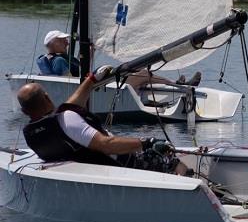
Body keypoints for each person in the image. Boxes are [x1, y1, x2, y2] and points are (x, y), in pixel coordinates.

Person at [17, 67, 186, 174]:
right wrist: (147, 142)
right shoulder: (67, 120)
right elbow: (106, 144)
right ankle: (194, 186)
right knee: (168, 156)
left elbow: (70, 106)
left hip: (85, 167)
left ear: (25, 111)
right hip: (122, 165)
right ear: (47, 98)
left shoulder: (31, 133)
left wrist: (92, 80)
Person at [35, 29, 201, 89]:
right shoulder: (59, 61)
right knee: (142, 73)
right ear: (53, 43)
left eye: (66, 39)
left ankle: (176, 85)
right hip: (95, 88)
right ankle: (178, 85)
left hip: (94, 84)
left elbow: (80, 72)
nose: (66, 41)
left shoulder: (59, 58)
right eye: (62, 40)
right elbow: (69, 83)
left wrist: (90, 53)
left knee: (138, 73)